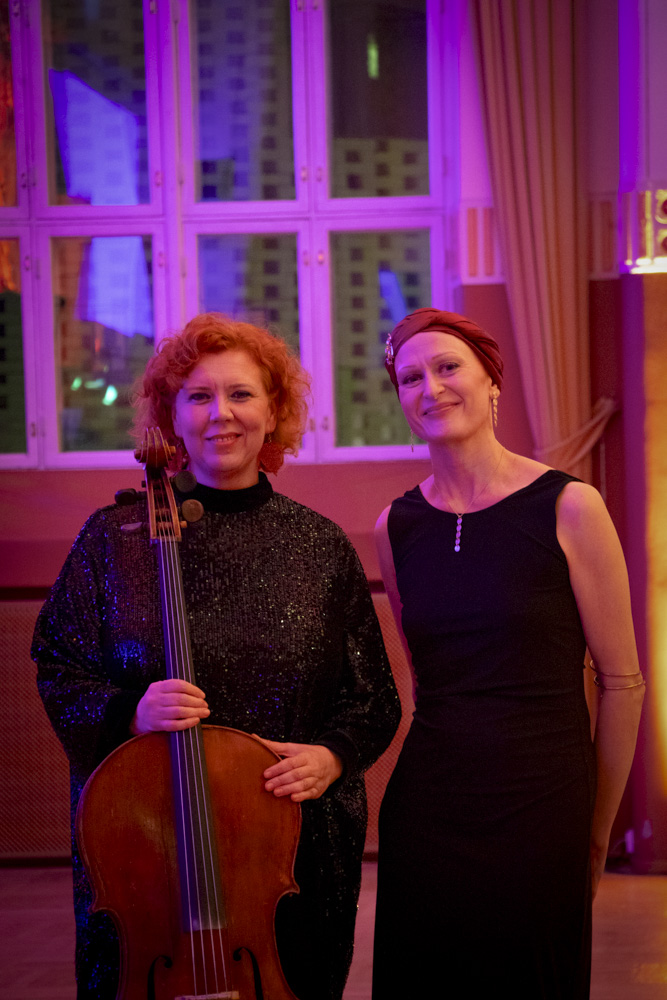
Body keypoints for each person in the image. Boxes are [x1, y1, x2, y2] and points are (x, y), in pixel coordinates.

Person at [33, 312, 400, 1000]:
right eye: (198, 396)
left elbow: (372, 697)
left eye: (241, 394)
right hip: (149, 855)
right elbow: (57, 664)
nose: (220, 414)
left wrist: (332, 757)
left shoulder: (319, 547)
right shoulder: (114, 538)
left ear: (274, 411)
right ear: (172, 416)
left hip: (287, 853)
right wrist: (129, 711)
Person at [371, 307, 644, 999]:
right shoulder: (395, 525)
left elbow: (623, 683)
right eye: (410, 378)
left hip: (543, 805)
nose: (430, 388)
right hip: (428, 811)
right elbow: (426, 682)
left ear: (491, 381)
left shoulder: (570, 506)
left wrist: (594, 833)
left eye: (447, 367)